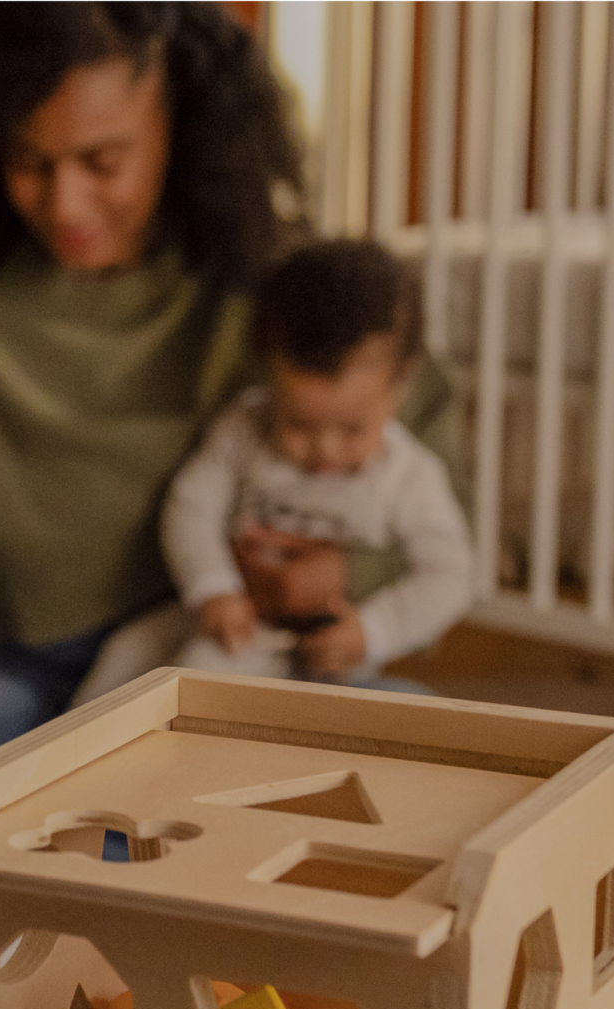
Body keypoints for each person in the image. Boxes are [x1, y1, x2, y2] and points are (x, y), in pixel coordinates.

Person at [0, 0, 461, 942]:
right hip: (15, 687)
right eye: (29, 161)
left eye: (102, 162)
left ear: (179, 132)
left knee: (429, 746)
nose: (63, 206)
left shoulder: (266, 286)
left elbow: (424, 457)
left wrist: (350, 581)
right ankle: (136, 873)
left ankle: (4, 869)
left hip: (213, 670)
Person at [165, 240, 469, 684]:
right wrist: (212, 587)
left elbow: (451, 575)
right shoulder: (244, 429)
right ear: (269, 374)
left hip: (338, 656)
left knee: (393, 714)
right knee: (165, 670)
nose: (325, 450)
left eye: (352, 430)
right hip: (242, 631)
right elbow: (191, 505)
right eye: (299, 426)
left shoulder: (409, 476)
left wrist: (373, 631)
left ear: (400, 388)